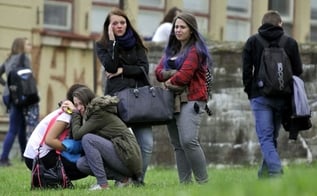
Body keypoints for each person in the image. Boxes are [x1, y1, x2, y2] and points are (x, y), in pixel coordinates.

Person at [242, 10, 303, 178]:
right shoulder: (290, 43)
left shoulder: (252, 41)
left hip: (260, 96)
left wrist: (251, 91)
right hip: (283, 98)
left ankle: (276, 172)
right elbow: (298, 71)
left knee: (266, 138)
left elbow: (246, 72)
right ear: (280, 24)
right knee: (271, 137)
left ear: (262, 24)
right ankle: (263, 175)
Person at [95, 7, 153, 183]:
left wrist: (123, 69)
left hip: (138, 99)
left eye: (122, 22)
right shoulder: (102, 45)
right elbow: (111, 67)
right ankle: (121, 179)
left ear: (127, 24)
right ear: (109, 26)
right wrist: (113, 43)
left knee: (146, 143)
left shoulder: (137, 43)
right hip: (116, 101)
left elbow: (144, 69)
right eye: (115, 23)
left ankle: (138, 180)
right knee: (117, 144)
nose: (119, 26)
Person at [155, 12, 211, 184]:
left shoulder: (195, 51)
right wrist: (172, 75)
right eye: (176, 27)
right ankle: (185, 184)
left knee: (188, 141)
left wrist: (169, 78)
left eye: (182, 27)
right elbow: (157, 73)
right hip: (171, 100)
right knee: (178, 144)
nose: (178, 30)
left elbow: (184, 77)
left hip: (192, 99)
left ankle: (203, 183)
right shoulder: (172, 50)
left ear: (191, 30)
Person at [61, 86, 142, 190]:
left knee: (88, 139)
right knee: (82, 164)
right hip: (121, 156)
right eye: (76, 105)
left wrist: (75, 113)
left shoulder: (98, 113)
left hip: (128, 157)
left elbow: (77, 135)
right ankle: (123, 179)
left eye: (81, 103)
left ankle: (102, 185)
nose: (79, 108)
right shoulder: (91, 113)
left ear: (88, 100)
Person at [23, 84, 88, 181]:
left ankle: (55, 179)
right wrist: (72, 148)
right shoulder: (67, 115)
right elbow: (49, 140)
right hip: (36, 157)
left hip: (36, 154)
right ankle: (54, 179)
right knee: (82, 167)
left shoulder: (68, 112)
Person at [0, 37, 38, 166]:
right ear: (21, 46)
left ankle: (24, 155)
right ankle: (3, 158)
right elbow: (28, 78)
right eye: (28, 44)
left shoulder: (9, 59)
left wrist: (7, 85)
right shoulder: (24, 58)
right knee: (14, 128)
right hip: (20, 97)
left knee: (21, 126)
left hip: (8, 96)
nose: (30, 46)